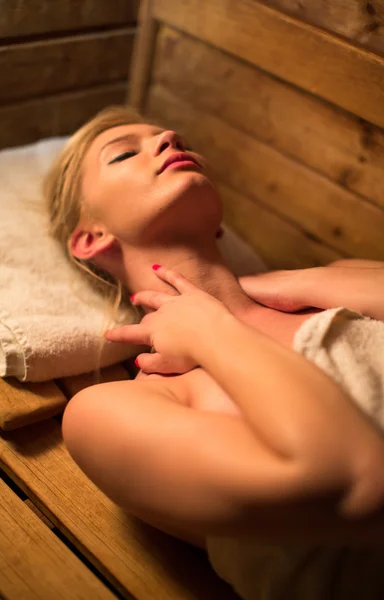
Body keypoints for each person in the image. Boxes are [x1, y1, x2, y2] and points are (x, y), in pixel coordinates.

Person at [45, 105, 384, 599]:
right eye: (122, 154)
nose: (168, 137)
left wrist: (302, 280)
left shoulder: (339, 280)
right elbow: (358, 487)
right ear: (91, 238)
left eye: (166, 134)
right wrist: (211, 333)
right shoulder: (112, 411)